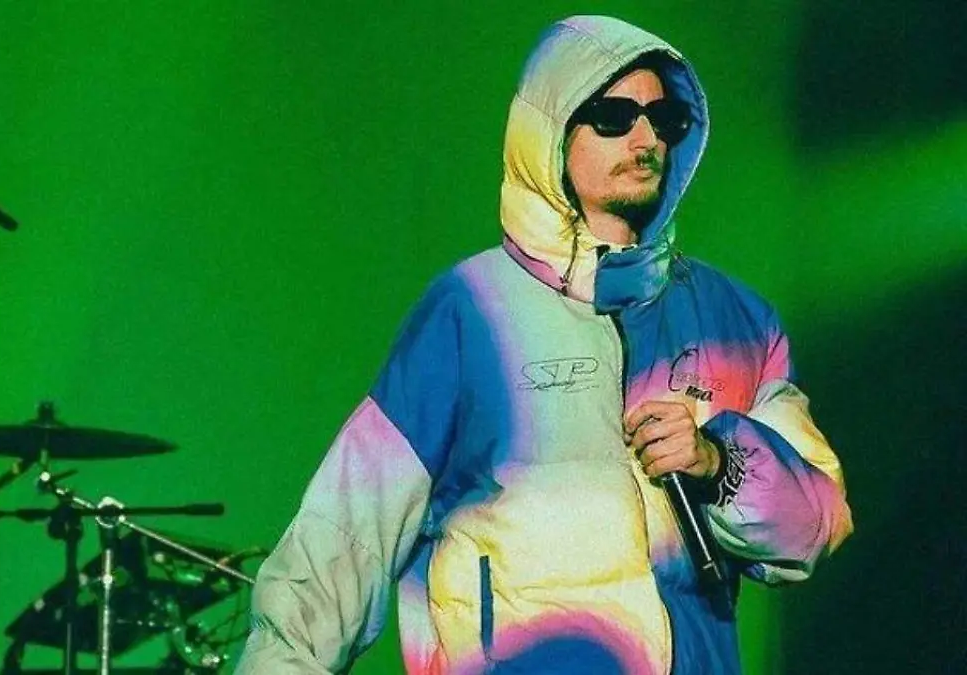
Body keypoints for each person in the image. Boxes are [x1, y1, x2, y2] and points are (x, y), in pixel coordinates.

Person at [236, 15, 853, 674]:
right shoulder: (471, 310)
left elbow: (816, 527)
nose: (645, 137)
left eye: (664, 118)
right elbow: (344, 535)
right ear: (549, 130)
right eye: (613, 116)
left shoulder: (736, 319)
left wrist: (718, 461)